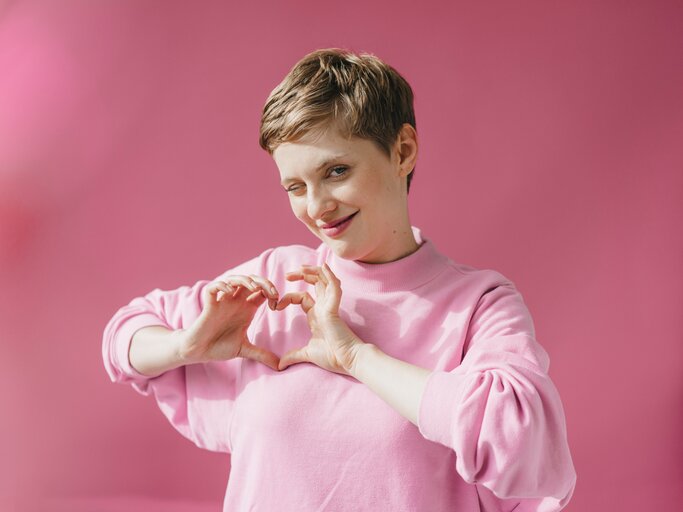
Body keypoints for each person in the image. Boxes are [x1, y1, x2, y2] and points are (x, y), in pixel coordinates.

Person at [102, 48, 577, 511]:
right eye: (295, 186)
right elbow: (123, 338)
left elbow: (514, 434)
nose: (316, 206)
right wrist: (187, 345)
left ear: (403, 151)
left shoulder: (477, 305)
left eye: (337, 171)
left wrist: (354, 356)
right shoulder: (275, 284)